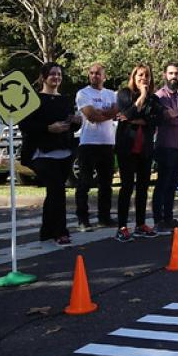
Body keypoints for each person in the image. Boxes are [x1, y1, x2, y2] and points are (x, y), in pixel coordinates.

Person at [19, 63, 81, 246]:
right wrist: (48, 128)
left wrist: (76, 122)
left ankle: (46, 231)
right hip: (41, 154)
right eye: (52, 74)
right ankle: (60, 231)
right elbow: (25, 126)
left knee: (54, 192)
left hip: (64, 152)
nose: (56, 77)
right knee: (58, 192)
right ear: (44, 77)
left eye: (59, 74)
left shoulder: (65, 100)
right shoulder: (34, 100)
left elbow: (70, 125)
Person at [114, 64, 162, 242]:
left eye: (147, 76)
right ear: (134, 77)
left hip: (145, 148)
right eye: (140, 75)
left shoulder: (154, 99)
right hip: (127, 147)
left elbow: (157, 120)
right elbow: (126, 113)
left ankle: (141, 224)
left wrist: (139, 119)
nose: (144, 79)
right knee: (127, 187)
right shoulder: (124, 94)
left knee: (143, 187)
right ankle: (122, 226)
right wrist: (141, 96)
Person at [74, 63, 118, 231]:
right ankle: (83, 219)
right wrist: (106, 114)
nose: (95, 76)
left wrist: (102, 114)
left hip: (107, 143)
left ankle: (104, 217)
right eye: (92, 73)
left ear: (104, 76)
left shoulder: (111, 94)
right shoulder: (83, 93)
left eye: (98, 73)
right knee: (84, 183)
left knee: (106, 184)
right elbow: (91, 116)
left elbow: (116, 111)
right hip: (88, 143)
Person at [151, 62, 178, 233]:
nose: (174, 76)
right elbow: (164, 117)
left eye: (177, 73)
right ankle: (158, 219)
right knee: (162, 183)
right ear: (165, 75)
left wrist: (177, 115)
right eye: (171, 73)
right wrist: (175, 116)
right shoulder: (159, 97)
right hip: (165, 145)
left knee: (173, 184)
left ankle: (169, 216)